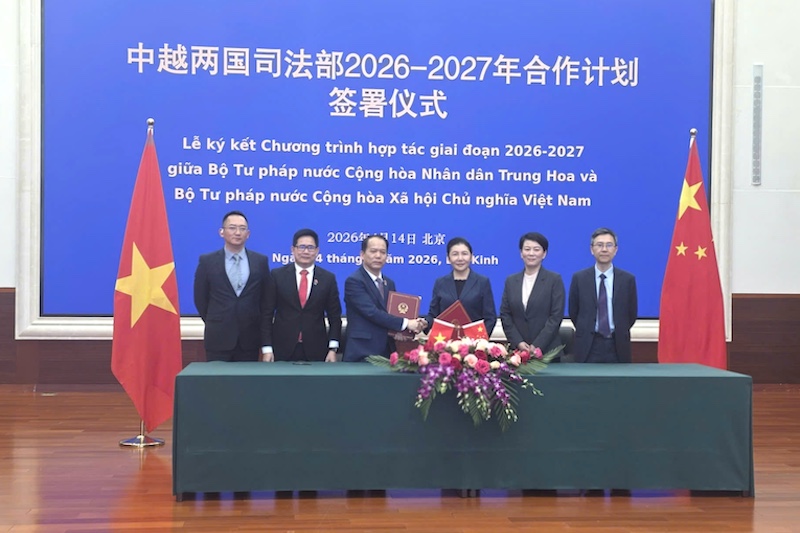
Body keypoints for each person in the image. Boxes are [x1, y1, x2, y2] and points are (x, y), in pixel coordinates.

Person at [193, 210, 272, 362]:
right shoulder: (207, 261)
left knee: (247, 378)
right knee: (217, 378)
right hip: (218, 339)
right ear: (221, 232)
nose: (237, 232)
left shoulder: (260, 261)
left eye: (242, 229)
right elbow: (200, 299)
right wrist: (216, 321)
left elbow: (266, 300)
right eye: (232, 228)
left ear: (248, 234)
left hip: (249, 339)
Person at [262, 229, 342, 362]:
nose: (306, 251)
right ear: (293, 249)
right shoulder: (277, 275)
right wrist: (267, 348)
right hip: (281, 348)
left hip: (316, 350)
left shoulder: (327, 278)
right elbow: (266, 314)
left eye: (310, 247)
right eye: (301, 247)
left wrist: (332, 349)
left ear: (317, 251)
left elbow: (334, 316)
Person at [343, 235, 426, 362]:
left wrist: (402, 331)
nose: (378, 256)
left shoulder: (389, 283)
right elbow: (371, 312)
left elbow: (392, 313)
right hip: (362, 351)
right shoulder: (354, 281)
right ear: (362, 255)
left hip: (387, 351)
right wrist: (406, 324)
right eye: (373, 251)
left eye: (382, 252)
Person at [568, 227, 638, 363]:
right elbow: (574, 311)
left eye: (609, 245)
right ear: (591, 249)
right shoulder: (579, 278)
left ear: (616, 250)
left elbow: (631, 313)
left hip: (617, 345)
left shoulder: (627, 279)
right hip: (588, 345)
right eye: (599, 245)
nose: (604, 249)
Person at [500, 232, 565, 357]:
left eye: (536, 249)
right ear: (521, 253)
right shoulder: (511, 281)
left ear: (544, 253)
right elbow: (505, 314)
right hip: (518, 353)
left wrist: (537, 345)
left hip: (548, 353)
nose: (531, 253)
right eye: (527, 249)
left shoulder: (554, 280)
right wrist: (518, 342)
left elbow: (556, 317)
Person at [425, 237, 497, 337]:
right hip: (445, 342)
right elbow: (433, 315)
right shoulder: (440, 283)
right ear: (448, 258)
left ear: (471, 256)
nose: (460, 258)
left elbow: (490, 317)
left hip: (474, 342)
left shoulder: (482, 282)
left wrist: (479, 339)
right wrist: (424, 323)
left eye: (464, 254)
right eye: (455, 254)